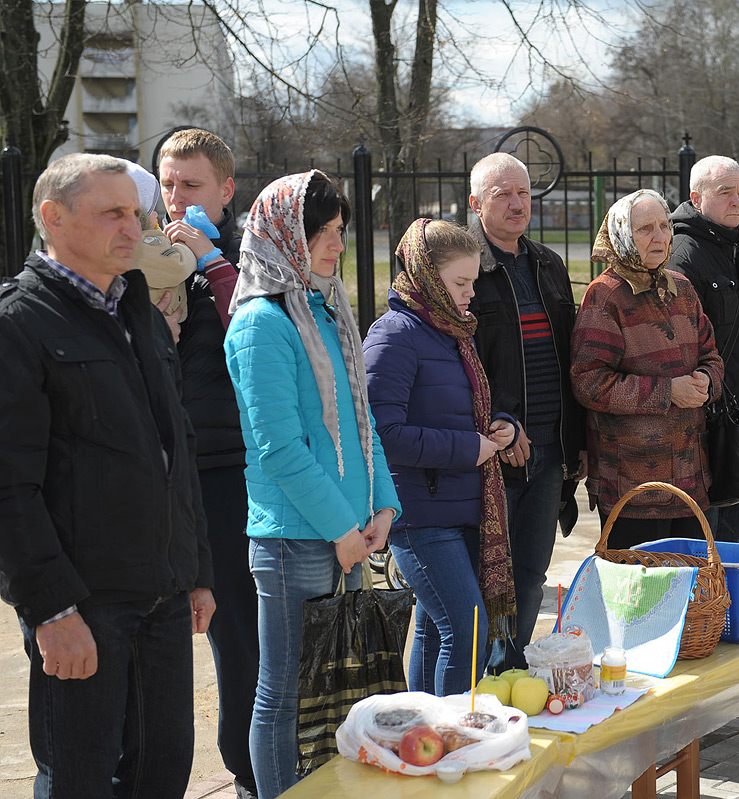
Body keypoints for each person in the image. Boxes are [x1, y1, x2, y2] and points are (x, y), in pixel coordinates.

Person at [0, 152, 213, 799]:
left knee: (162, 774)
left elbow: (176, 448)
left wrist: (195, 568)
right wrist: (51, 609)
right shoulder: (17, 323)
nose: (134, 228)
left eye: (137, 212)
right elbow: (8, 487)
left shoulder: (139, 310)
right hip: (84, 606)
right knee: (81, 781)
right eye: (112, 213)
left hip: (163, 595)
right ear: (53, 218)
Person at [224, 170, 400, 799]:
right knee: (285, 694)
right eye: (321, 231)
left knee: (339, 695)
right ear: (283, 234)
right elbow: (278, 450)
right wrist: (342, 530)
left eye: (339, 232)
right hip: (296, 537)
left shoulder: (324, 306)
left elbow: (361, 422)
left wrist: (384, 505)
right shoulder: (259, 324)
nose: (335, 245)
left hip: (350, 531)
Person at [364, 219, 518, 696]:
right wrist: (469, 448)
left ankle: (424, 740)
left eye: (473, 281)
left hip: (460, 503)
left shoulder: (454, 332)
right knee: (468, 630)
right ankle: (450, 740)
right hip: (419, 512)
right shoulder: (393, 335)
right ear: (427, 277)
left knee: (437, 632)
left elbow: (466, 407)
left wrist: (503, 426)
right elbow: (382, 435)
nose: (471, 293)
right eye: (460, 283)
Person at [158, 127, 259, 799]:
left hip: (231, 471)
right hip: (165, 471)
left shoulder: (256, 253)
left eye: (190, 185)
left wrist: (210, 263)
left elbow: (259, 338)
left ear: (225, 190)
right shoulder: (148, 254)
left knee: (239, 635)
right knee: (162, 638)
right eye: (167, 183)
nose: (175, 197)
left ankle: (249, 770)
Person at [466, 152, 585, 672]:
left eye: (523, 193)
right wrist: (500, 425)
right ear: (475, 204)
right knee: (486, 578)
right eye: (503, 195)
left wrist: (575, 440)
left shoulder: (548, 264)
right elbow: (459, 361)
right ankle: (479, 680)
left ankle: (514, 673)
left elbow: (570, 357)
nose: (518, 204)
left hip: (551, 451)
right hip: (494, 453)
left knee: (532, 574)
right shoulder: (464, 266)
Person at [571, 189, 724, 550]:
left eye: (664, 226)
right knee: (642, 598)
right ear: (623, 235)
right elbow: (588, 382)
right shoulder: (605, 296)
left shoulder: (682, 287)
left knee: (690, 591)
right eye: (645, 229)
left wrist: (706, 380)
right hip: (631, 485)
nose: (659, 236)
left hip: (690, 477)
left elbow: (712, 356)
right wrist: (669, 392)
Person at [666, 155, 739, 542]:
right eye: (725, 192)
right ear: (697, 198)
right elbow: (682, 347)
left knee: (734, 540)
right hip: (707, 431)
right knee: (708, 546)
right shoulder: (682, 254)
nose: (737, 201)